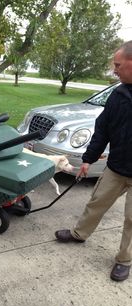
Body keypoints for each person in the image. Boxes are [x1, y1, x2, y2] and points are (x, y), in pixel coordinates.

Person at [55, 40, 132, 282]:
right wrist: (88, 159)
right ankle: (79, 234)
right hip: (117, 167)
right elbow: (103, 130)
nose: (114, 69)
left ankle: (124, 260)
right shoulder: (118, 94)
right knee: (96, 201)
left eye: (118, 65)